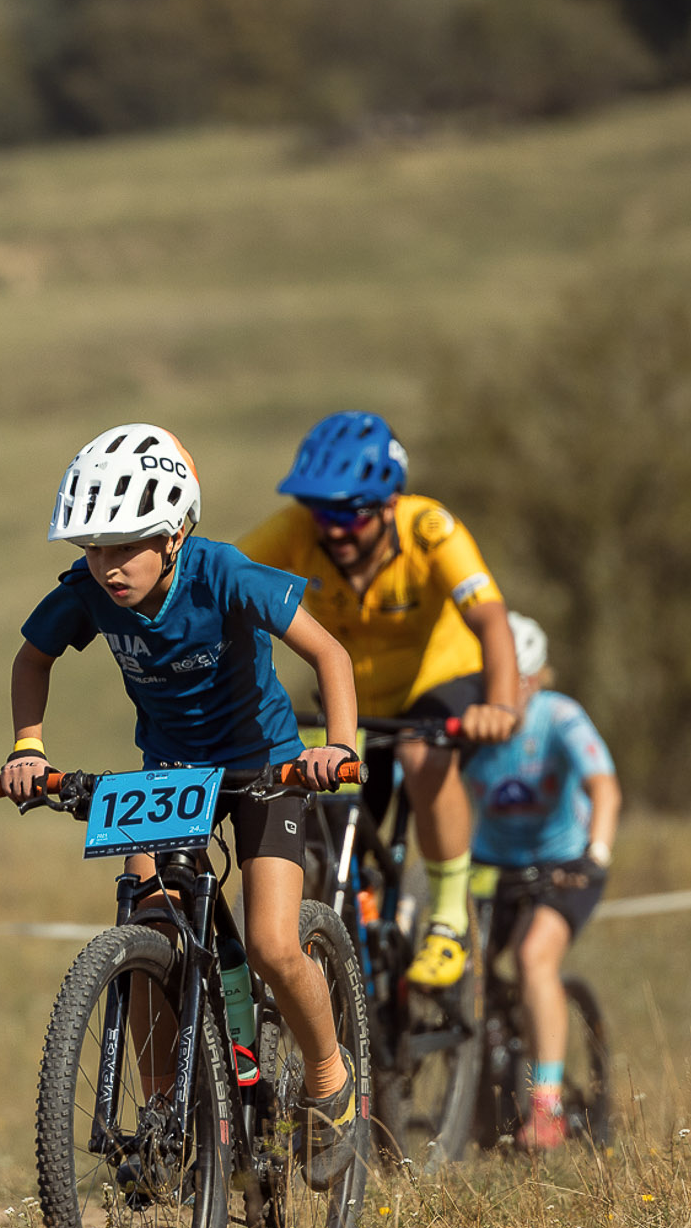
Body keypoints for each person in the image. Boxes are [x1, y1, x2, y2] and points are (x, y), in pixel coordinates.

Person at [0, 424, 366, 1188]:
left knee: (271, 943)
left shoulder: (222, 572)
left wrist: (334, 746)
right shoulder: (87, 592)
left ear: (172, 537)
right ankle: (166, 1113)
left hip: (266, 766)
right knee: (146, 927)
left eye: (123, 547)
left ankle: (331, 1081)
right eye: (92, 548)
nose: (106, 566)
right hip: (167, 774)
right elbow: (32, 658)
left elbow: (328, 653)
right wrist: (27, 747)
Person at [239, 413, 517, 990]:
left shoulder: (430, 529)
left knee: (422, 755)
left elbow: (491, 618)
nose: (334, 530)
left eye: (351, 514)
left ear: (389, 504)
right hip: (353, 703)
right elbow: (223, 582)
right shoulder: (297, 530)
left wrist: (502, 705)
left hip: (436, 683)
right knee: (312, 803)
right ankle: (350, 928)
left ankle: (448, 918)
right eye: (322, 513)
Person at [463, 612, 620, 1151]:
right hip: (492, 863)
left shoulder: (560, 717)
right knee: (458, 964)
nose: (503, 691)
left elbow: (604, 787)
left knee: (534, 956)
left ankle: (546, 1105)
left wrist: (596, 853)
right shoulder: (469, 722)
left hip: (564, 863)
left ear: (535, 679)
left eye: (516, 680)